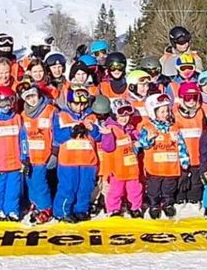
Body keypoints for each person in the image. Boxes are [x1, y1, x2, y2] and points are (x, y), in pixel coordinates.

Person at [52, 88, 102, 222]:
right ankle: (62, 211)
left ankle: (81, 210)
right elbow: (57, 136)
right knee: (68, 187)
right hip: (68, 161)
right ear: (69, 102)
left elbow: (99, 137)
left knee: (85, 187)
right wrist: (71, 131)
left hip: (88, 160)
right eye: (76, 104)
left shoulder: (92, 116)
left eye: (83, 104)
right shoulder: (61, 116)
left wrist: (93, 129)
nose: (80, 107)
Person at [138, 94, 188, 219]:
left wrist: (184, 160)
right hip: (155, 168)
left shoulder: (174, 127)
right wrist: (148, 139)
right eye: (162, 111)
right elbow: (142, 145)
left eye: (167, 110)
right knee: (154, 189)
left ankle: (167, 203)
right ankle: (154, 204)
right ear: (153, 112)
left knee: (169, 188)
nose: (165, 114)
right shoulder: (148, 128)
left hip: (171, 168)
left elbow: (181, 144)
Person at [0, 87, 28, 221]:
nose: (7, 106)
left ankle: (12, 210)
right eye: (3, 103)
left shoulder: (17, 118)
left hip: (15, 163)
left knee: (14, 190)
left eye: (10, 102)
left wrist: (25, 158)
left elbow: (23, 140)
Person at [20, 82, 57, 223]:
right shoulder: (23, 115)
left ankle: (45, 207)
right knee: (30, 181)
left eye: (33, 96)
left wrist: (54, 152)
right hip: (30, 156)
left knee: (40, 182)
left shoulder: (50, 111)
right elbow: (22, 137)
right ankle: (34, 203)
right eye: (28, 98)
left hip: (44, 156)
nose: (32, 100)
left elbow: (56, 133)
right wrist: (23, 156)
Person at [100, 100, 143, 217]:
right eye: (121, 116)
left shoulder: (130, 128)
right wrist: (108, 135)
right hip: (117, 169)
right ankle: (113, 209)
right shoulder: (110, 128)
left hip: (131, 168)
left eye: (127, 115)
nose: (125, 118)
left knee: (135, 189)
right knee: (116, 191)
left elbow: (137, 141)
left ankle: (135, 207)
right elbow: (107, 148)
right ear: (114, 115)